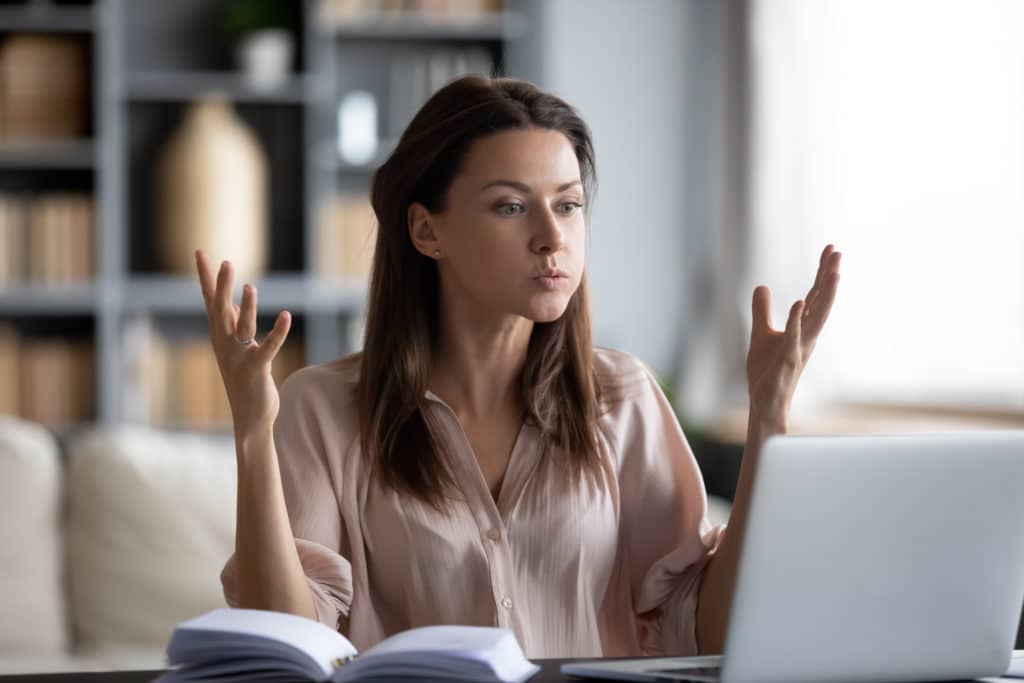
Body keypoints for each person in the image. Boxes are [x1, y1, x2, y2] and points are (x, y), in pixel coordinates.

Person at [195, 75, 841, 659]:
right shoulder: (322, 409)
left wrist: (768, 419)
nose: (551, 237)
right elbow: (282, 652)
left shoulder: (624, 398)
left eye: (567, 205)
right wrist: (252, 433)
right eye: (511, 206)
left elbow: (713, 636)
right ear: (426, 231)